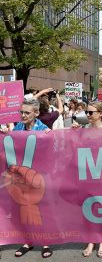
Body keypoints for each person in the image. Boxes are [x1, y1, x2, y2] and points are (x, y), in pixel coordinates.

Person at [0, 99, 52, 258]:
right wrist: (4, 134)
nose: (22, 115)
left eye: (26, 112)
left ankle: (46, 242)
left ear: (36, 113)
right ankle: (28, 241)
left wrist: (50, 138)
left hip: (41, 178)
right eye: (21, 112)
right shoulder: (17, 128)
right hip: (22, 178)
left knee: (43, 211)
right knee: (25, 210)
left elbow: (53, 152)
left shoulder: (45, 130)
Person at [72, 101, 102, 257]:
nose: (87, 115)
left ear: (100, 114)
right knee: (88, 208)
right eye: (87, 112)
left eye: (90, 112)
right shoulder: (83, 130)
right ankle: (90, 240)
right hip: (86, 175)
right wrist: (74, 133)